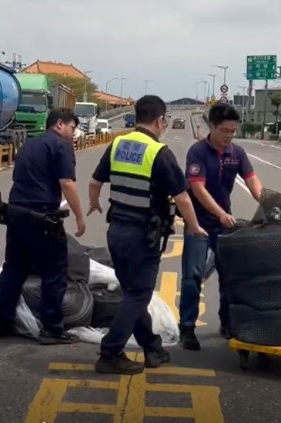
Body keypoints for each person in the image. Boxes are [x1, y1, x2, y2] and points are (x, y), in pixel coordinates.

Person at [88, 95, 208, 375]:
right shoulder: (158, 152)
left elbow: (94, 182)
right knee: (139, 294)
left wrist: (95, 203)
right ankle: (110, 353)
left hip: (116, 231)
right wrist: (193, 226)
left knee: (133, 293)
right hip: (143, 236)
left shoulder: (118, 144)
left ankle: (152, 348)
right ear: (160, 120)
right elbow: (183, 197)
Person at [0, 108, 87, 345]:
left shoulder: (29, 144)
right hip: (42, 218)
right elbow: (67, 183)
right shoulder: (61, 145)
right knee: (54, 273)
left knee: (14, 269)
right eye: (72, 128)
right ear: (60, 124)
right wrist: (80, 217)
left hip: (15, 214)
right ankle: (51, 329)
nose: (73, 133)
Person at [178, 103, 262, 351]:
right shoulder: (197, 152)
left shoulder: (237, 153)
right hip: (197, 223)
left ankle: (227, 322)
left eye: (233, 131)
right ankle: (187, 327)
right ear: (212, 127)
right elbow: (198, 189)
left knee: (229, 275)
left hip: (224, 225)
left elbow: (252, 182)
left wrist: (269, 205)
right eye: (225, 131)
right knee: (193, 275)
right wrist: (220, 214)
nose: (229, 136)